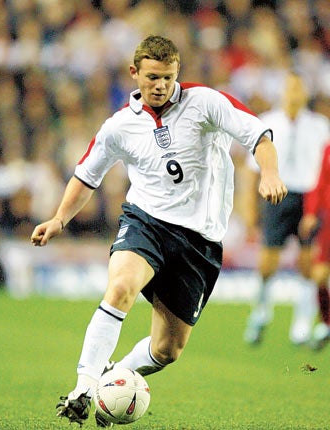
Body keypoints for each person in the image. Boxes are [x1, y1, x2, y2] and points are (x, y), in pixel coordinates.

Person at [31, 35, 287, 428]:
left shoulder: (206, 102)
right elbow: (86, 176)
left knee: (168, 350)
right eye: (152, 77)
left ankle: (109, 377)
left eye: (168, 77)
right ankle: (82, 389)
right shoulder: (119, 126)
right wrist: (58, 220)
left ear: (177, 73)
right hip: (146, 222)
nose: (160, 85)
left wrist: (269, 172)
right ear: (134, 73)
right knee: (120, 289)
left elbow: (259, 135)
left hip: (200, 241)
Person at [243, 72, 330, 345]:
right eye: (289, 89)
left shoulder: (319, 126)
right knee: (268, 262)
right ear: (282, 93)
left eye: (298, 90)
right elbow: (251, 170)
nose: (293, 95)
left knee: (308, 262)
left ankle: (301, 322)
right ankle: (260, 312)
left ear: (304, 94)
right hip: (277, 194)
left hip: (309, 197)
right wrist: (248, 208)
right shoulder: (268, 123)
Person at [299, 142, 330, 350]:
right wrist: (310, 212)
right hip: (328, 222)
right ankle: (326, 322)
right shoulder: (327, 149)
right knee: (319, 275)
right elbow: (319, 183)